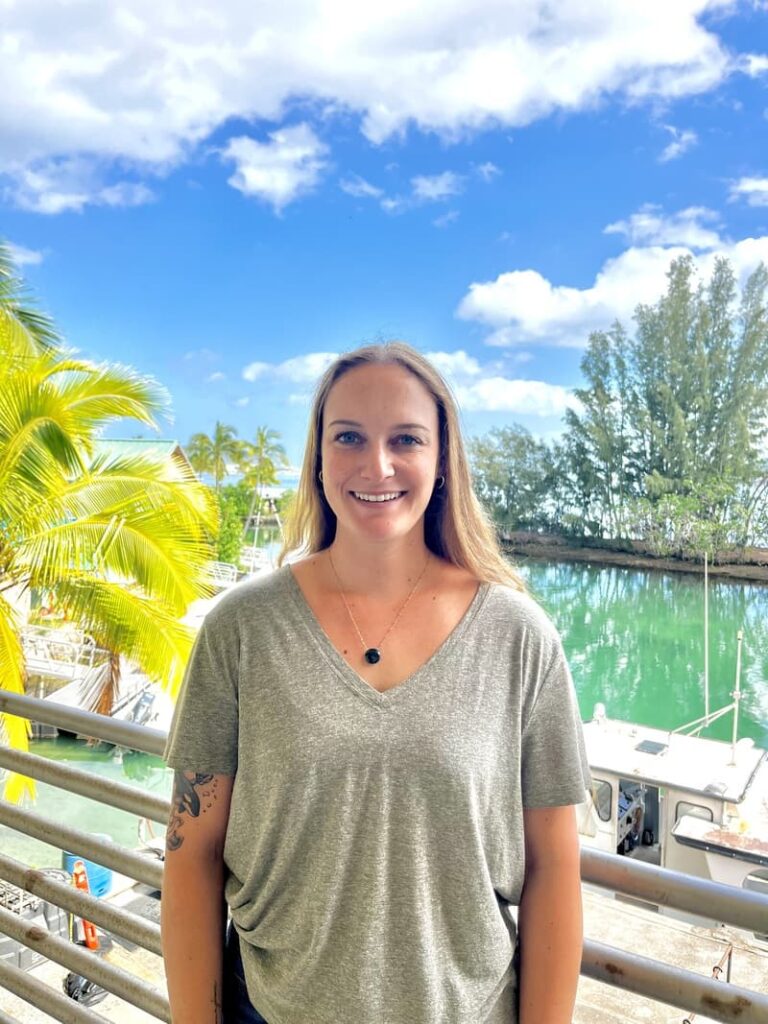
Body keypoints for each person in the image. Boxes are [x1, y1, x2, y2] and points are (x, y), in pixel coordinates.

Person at [161, 341, 590, 1024]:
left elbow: (554, 871)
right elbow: (191, 857)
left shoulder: (519, 639)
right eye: (349, 437)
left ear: (442, 460)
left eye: (407, 440)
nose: (377, 465)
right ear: (319, 457)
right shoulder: (240, 629)